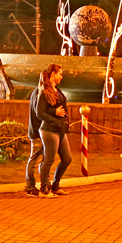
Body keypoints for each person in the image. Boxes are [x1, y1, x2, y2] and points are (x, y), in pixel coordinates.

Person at [37, 63, 72, 197]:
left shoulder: (57, 90)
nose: (62, 77)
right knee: (49, 160)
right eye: (60, 74)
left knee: (67, 158)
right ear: (53, 74)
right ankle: (44, 188)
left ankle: (55, 185)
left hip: (60, 130)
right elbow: (39, 112)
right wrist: (54, 114)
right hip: (49, 130)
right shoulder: (44, 90)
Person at [25, 65, 53, 197]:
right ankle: (30, 186)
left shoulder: (36, 92)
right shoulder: (39, 93)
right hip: (37, 132)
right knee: (35, 159)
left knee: (41, 159)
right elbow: (39, 114)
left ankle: (43, 183)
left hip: (38, 131)